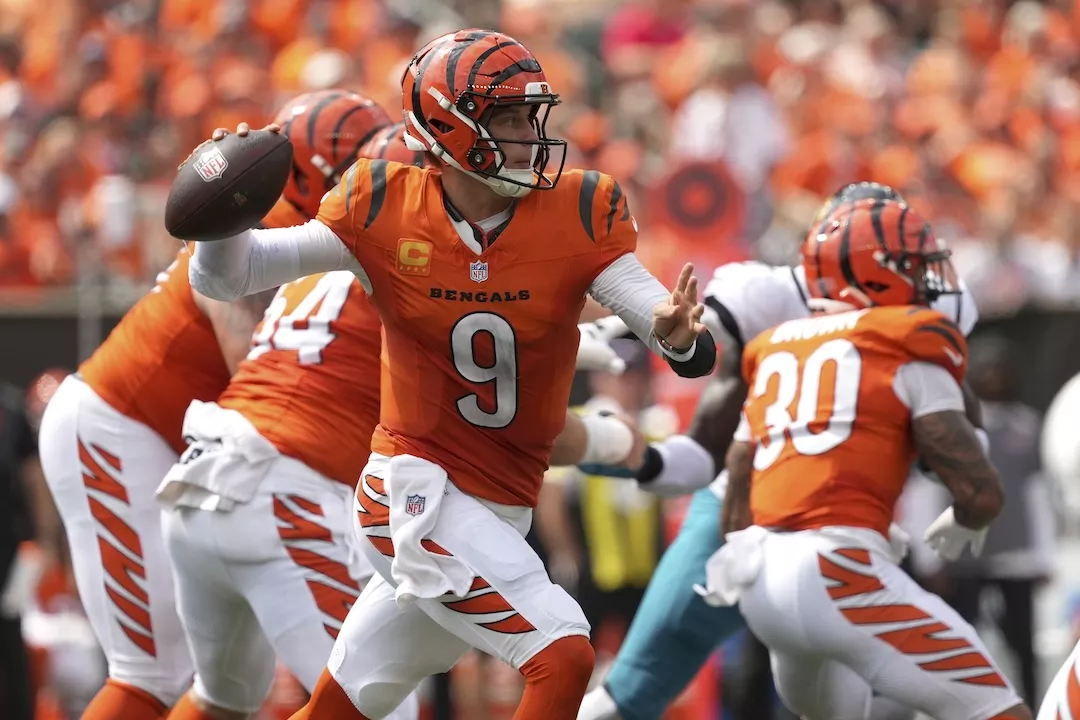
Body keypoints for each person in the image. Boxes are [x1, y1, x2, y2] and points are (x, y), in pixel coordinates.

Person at [179, 28, 716, 720]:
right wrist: (220, 218)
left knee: (343, 706)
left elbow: (660, 318)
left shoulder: (580, 214)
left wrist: (677, 339)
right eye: (511, 118)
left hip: (496, 508)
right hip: (412, 492)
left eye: (532, 116)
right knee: (563, 652)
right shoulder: (382, 203)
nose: (531, 135)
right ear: (448, 126)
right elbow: (235, 276)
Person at [36, 89, 393, 720]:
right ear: (323, 176)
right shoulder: (272, 225)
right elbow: (250, 360)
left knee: (229, 688)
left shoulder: (311, 230)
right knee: (152, 671)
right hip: (122, 429)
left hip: (193, 447)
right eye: (367, 165)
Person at [578, 182, 983, 720]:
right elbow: (708, 450)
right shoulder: (772, 299)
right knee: (631, 695)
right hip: (746, 523)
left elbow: (960, 439)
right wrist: (635, 454)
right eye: (896, 254)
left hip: (842, 534)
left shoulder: (929, 312)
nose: (917, 273)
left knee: (840, 711)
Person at [697, 198, 1030, 720]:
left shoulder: (777, 349)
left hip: (760, 578)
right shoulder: (906, 347)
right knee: (997, 709)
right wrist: (968, 518)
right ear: (871, 274)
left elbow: (738, 484)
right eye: (913, 265)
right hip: (839, 573)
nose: (928, 279)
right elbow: (980, 491)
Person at [156, 93, 420, 720]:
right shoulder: (414, 271)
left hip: (204, 480)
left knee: (223, 700)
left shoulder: (312, 263)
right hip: (278, 486)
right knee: (378, 710)